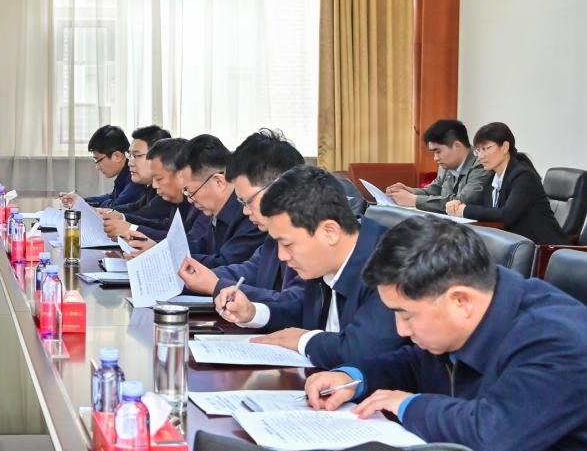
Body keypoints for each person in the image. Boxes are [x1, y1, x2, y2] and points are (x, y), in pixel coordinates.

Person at [305, 216, 587, 451]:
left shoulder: (557, 339)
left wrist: (407, 404)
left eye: (407, 315)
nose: (400, 330)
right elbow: (416, 363)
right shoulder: (476, 309)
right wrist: (354, 377)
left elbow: (492, 438)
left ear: (461, 301)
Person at [215, 165, 402, 369]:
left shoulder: (391, 263)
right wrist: (252, 312)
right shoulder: (325, 260)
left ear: (329, 232)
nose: (282, 256)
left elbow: (365, 351)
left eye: (287, 244)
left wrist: (303, 340)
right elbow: (303, 309)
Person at [177, 130, 306, 304]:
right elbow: (250, 271)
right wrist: (198, 278)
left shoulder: (311, 236)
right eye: (242, 202)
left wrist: (215, 285)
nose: (245, 211)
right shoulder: (271, 239)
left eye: (248, 201)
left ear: (281, 189)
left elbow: (295, 304)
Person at [131, 134, 263, 269]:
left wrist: (167, 257)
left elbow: (224, 263)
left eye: (191, 191)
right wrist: (159, 250)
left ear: (218, 182)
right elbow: (200, 245)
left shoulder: (249, 215)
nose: (189, 199)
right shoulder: (216, 209)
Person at [445, 122, 570, 245]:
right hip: (518, 246)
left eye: (486, 148)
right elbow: (481, 205)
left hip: (546, 249)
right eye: (478, 150)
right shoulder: (492, 176)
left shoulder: (523, 176)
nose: (480, 156)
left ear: (505, 147)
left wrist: (465, 210)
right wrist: (458, 204)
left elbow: (507, 215)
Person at [386, 118, 487, 212]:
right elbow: (434, 190)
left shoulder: (482, 163)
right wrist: (409, 191)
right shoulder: (447, 164)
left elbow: (461, 202)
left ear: (457, 146)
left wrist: (413, 200)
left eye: (438, 152)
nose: (435, 158)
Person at [98, 125, 175, 238]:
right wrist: (106, 212)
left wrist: (124, 221)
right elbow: (134, 207)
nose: (130, 163)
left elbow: (145, 215)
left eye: (137, 156)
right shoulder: (151, 186)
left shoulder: (169, 190)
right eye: (130, 156)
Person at [59, 125, 148, 210]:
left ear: (117, 156)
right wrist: (81, 200)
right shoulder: (124, 175)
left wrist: (83, 203)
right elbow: (111, 197)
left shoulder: (136, 178)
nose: (97, 167)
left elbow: (114, 207)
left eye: (98, 160)